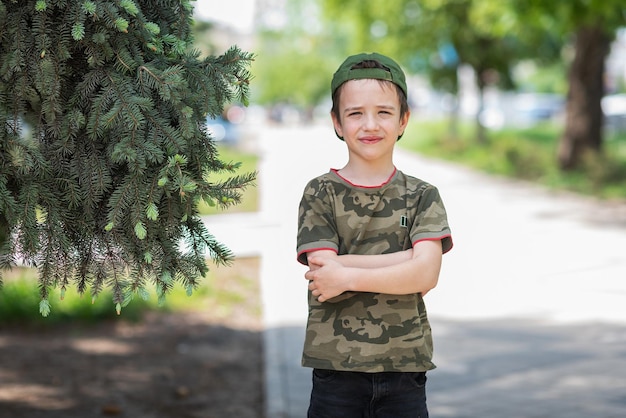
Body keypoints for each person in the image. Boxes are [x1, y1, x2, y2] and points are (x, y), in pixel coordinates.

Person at [296, 52, 453, 418]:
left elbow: (426, 275)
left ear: (403, 120)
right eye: (355, 113)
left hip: (405, 367)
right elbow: (323, 275)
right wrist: (408, 259)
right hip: (337, 370)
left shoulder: (422, 195)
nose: (370, 124)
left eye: (384, 112)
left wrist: (345, 272)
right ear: (336, 121)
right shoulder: (320, 193)